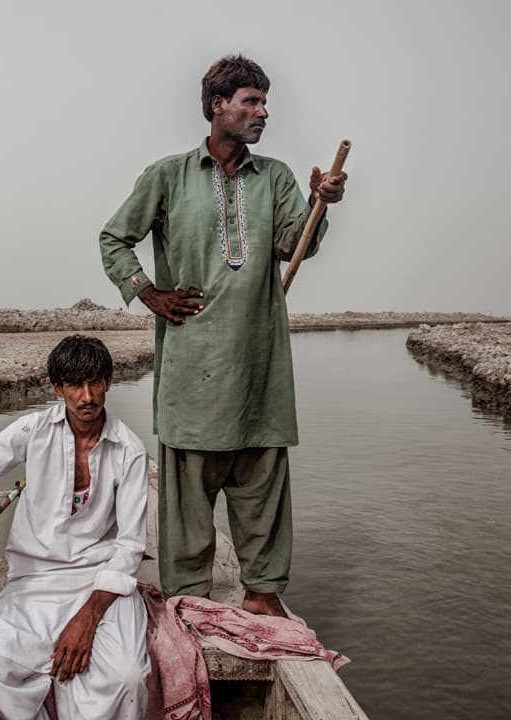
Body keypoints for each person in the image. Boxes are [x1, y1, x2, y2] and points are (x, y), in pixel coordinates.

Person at [98, 55, 348, 617]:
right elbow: (115, 238)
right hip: (191, 368)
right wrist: (149, 292)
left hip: (260, 367)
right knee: (186, 500)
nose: (263, 112)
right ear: (218, 106)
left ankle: (262, 596)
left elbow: (295, 246)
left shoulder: (277, 177)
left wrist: (318, 206)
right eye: (251, 101)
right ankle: (190, 606)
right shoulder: (168, 175)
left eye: (264, 102)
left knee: (261, 491)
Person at [0, 335, 150, 720]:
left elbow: (130, 546)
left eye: (95, 382)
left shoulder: (129, 450)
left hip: (98, 582)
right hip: (32, 581)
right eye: (74, 385)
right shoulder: (34, 431)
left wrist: (88, 617)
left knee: (126, 679)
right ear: (57, 388)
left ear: (109, 383)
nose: (87, 397)